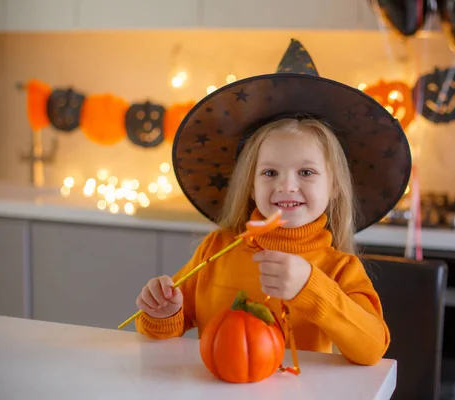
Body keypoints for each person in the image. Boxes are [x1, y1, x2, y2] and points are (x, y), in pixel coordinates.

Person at [134, 39, 412, 366]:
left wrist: (311, 288)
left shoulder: (339, 269)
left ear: (335, 186)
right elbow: (169, 329)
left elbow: (372, 349)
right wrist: (165, 313)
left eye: (306, 172)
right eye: (269, 172)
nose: (286, 186)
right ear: (250, 186)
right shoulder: (215, 250)